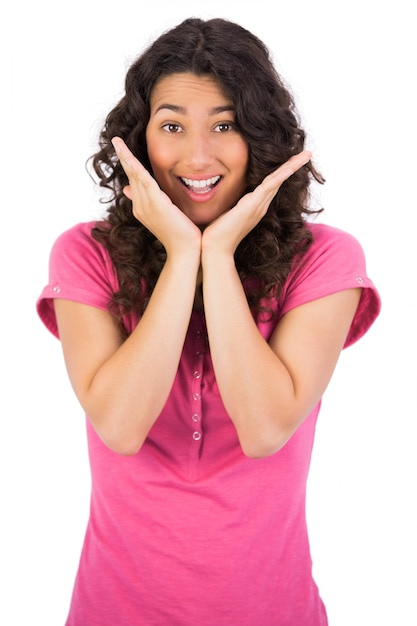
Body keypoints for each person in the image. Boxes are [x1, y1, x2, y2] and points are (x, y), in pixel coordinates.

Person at [36, 16, 381, 626]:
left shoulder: (325, 259)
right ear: (138, 143)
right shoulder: (84, 254)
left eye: (225, 125)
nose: (198, 155)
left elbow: (265, 427)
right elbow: (119, 424)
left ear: (262, 137)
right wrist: (182, 254)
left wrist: (216, 254)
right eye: (172, 126)